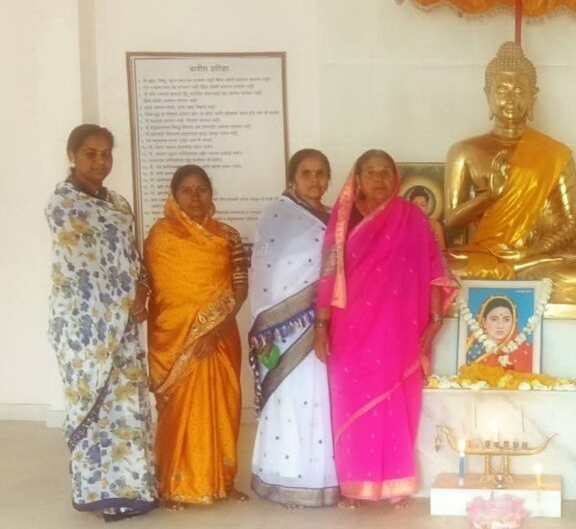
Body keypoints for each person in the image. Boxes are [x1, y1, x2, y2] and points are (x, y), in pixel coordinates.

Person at [314, 149, 458, 506]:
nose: (379, 178)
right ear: (358, 180)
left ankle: (395, 484)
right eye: (370, 172)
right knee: (351, 402)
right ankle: (353, 485)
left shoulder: (412, 218)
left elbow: (434, 271)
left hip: (399, 330)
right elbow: (328, 275)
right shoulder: (343, 219)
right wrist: (321, 325)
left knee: (396, 402)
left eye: (385, 172)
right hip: (350, 329)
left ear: (396, 178)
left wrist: (436, 320)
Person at [45, 124, 158, 520]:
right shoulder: (62, 205)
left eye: (106, 153)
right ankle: (98, 493)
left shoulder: (120, 204)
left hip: (121, 325)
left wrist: (142, 290)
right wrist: (126, 296)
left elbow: (131, 259)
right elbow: (84, 268)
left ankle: (134, 489)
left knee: (125, 406)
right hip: (82, 325)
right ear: (72, 155)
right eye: (90, 154)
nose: (100, 161)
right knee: (92, 406)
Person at [145, 164, 249, 508]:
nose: (195, 197)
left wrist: (215, 331)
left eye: (202, 189)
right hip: (174, 340)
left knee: (223, 410)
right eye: (187, 190)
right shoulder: (159, 237)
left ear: (211, 194)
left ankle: (223, 481)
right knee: (178, 413)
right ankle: (172, 485)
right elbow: (152, 287)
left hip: (220, 338)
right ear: (174, 196)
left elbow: (240, 288)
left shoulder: (228, 236)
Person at [444, 41, 576, 291]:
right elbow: (451, 220)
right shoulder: (464, 151)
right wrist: (488, 197)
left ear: (533, 96)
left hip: (534, 257)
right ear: (487, 94)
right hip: (485, 254)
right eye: (502, 89)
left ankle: (521, 269)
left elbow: (572, 223)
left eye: (519, 90)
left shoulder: (555, 153)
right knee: (444, 269)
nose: (510, 98)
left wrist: (531, 252)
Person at [248, 149, 339, 507]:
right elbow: (265, 272)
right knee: (290, 396)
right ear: (292, 179)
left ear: (329, 178)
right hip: (284, 328)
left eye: (321, 173)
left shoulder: (335, 218)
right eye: (306, 173)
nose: (315, 180)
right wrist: (268, 323)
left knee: (320, 397)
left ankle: (319, 478)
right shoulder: (277, 215)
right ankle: (283, 477)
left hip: (325, 322)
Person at [465, 296, 533, 372]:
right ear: (484, 322)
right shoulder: (470, 347)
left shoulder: (526, 350)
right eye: (494, 319)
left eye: (506, 320)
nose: (500, 325)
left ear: (513, 322)